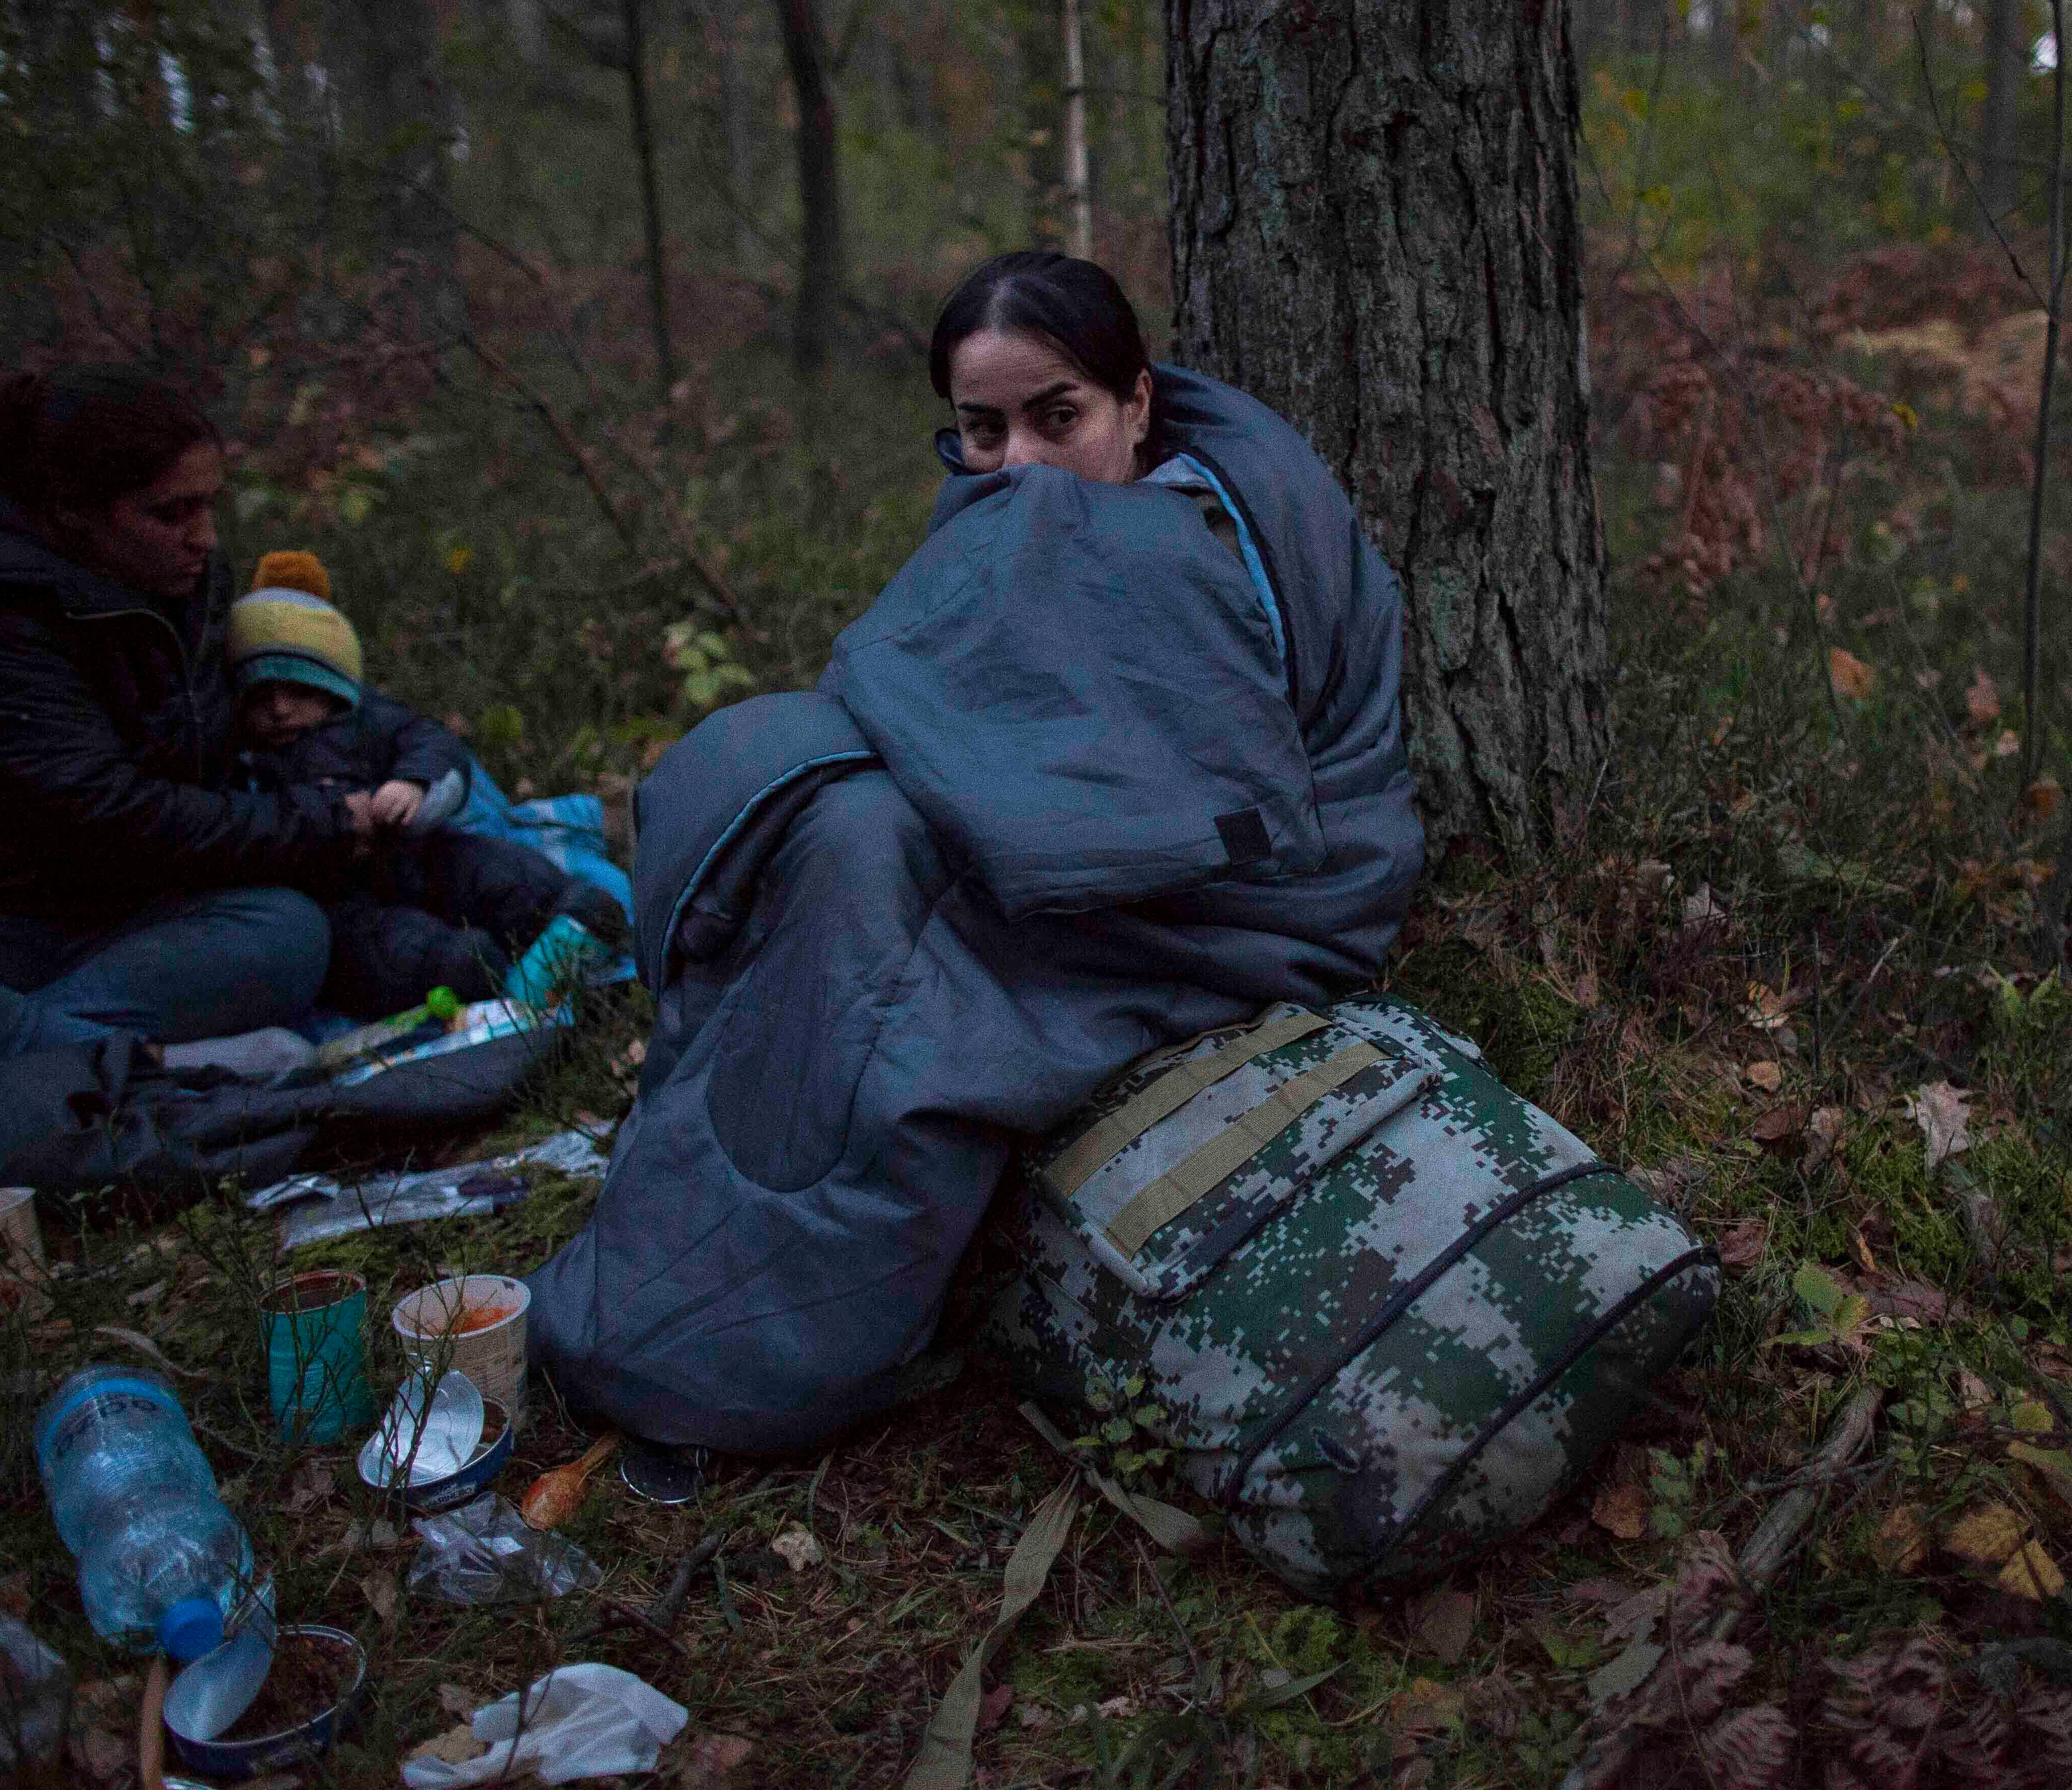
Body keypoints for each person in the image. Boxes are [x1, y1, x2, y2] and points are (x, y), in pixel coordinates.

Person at [527, 253, 1424, 1455]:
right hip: (1090, 854)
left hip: (1246, 898)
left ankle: (736, 1352)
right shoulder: (1049, 502)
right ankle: (671, 1281)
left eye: (1061, 417)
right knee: (829, 837)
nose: (1024, 466)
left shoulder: (1189, 533)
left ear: (1139, 404)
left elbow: (1189, 797)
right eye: (982, 430)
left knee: (879, 898)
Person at [0, 367, 379, 1093]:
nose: (203, 539)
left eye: (208, 508)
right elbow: (103, 813)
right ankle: (111, 1067)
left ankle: (6, 1056)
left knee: (285, 933)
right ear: (73, 514)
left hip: (126, 912)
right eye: (170, 515)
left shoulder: (178, 583)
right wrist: (311, 825)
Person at [225, 550, 624, 1021]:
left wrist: (413, 785)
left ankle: (575, 919)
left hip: (417, 851)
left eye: (298, 691)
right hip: (342, 900)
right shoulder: (239, 759)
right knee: (390, 952)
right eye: (261, 696)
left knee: (494, 870)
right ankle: (479, 979)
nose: (279, 709)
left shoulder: (364, 719)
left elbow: (429, 741)